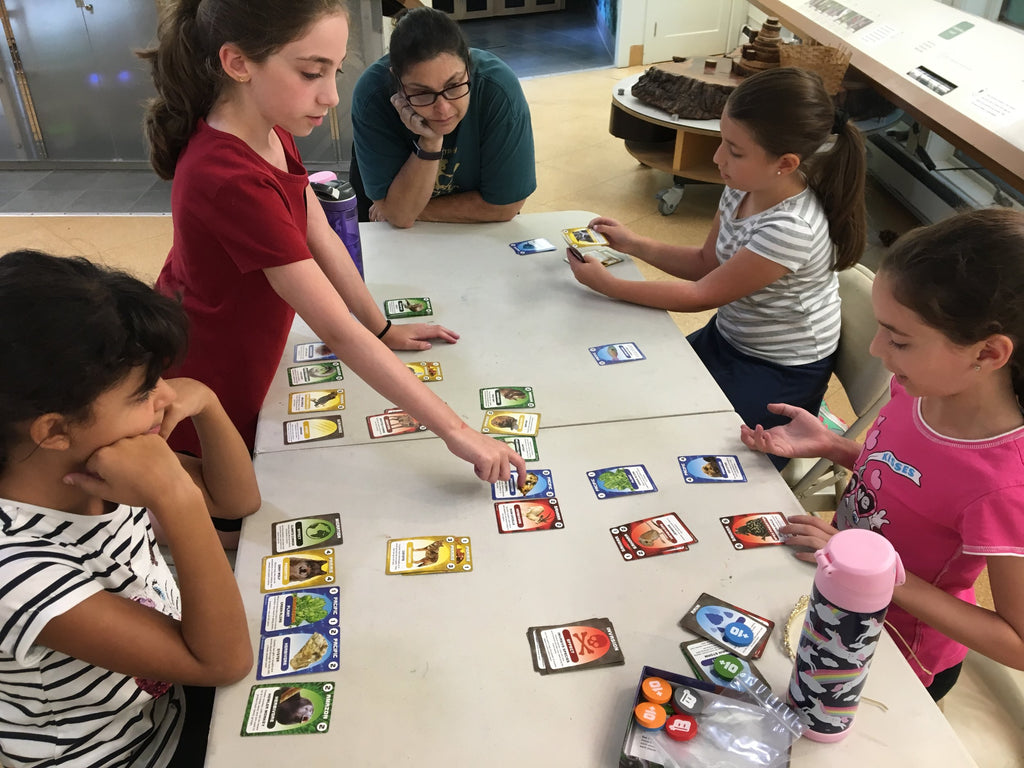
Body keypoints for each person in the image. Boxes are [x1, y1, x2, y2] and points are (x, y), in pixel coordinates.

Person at [140, 0, 525, 486]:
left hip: (252, 344)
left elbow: (313, 225)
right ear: (237, 64)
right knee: (234, 512)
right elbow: (336, 331)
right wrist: (456, 431)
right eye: (310, 73)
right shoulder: (228, 177)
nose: (331, 96)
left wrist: (380, 327)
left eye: (335, 72)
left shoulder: (267, 124)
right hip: (215, 365)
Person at [740, 209, 1024, 701]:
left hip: (892, 651)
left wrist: (879, 575)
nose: (876, 349)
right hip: (830, 590)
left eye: (898, 340)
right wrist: (836, 447)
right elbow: (911, 482)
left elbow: (1017, 643)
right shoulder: (916, 388)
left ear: (987, 353)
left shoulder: (1004, 484)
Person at [0, 250, 259, 767]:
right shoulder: (15, 569)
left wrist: (205, 401)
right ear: (53, 430)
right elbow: (224, 661)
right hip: (128, 755)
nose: (164, 398)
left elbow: (237, 501)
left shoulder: (95, 465)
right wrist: (176, 499)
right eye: (144, 392)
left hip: (171, 708)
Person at [568, 67, 866, 468]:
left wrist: (609, 285)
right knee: (637, 399)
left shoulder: (791, 228)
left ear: (785, 163)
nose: (717, 158)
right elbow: (706, 263)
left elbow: (700, 295)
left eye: (734, 150)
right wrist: (636, 244)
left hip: (780, 369)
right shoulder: (741, 186)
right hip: (728, 339)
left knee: (707, 456)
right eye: (721, 140)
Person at [351, 6, 536, 227]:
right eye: (422, 92)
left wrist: (409, 209)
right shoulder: (372, 96)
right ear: (397, 82)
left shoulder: (498, 88)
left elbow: (506, 206)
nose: (443, 110)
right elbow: (399, 217)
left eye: (454, 85)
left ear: (469, 66)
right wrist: (430, 141)